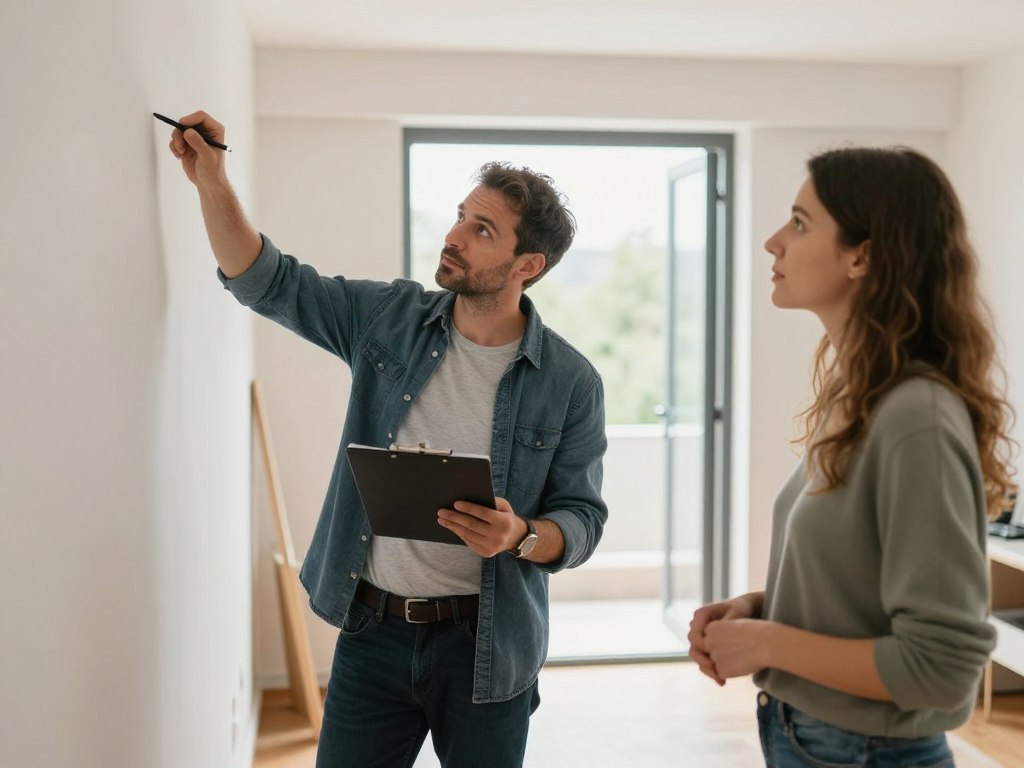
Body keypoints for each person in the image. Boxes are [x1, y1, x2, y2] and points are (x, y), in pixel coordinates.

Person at [166, 111, 608, 767]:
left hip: (487, 649)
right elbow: (267, 281)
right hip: (372, 634)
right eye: (460, 216)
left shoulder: (571, 382)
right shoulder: (389, 317)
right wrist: (212, 180)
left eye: (481, 230)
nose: (453, 236)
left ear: (528, 264)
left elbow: (582, 519)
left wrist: (520, 535)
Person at [688, 146, 1015, 767]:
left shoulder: (915, 417)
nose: (773, 242)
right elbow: (857, 587)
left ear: (861, 256)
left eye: (800, 223)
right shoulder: (861, 397)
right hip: (813, 738)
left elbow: (941, 667)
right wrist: (759, 611)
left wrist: (769, 642)